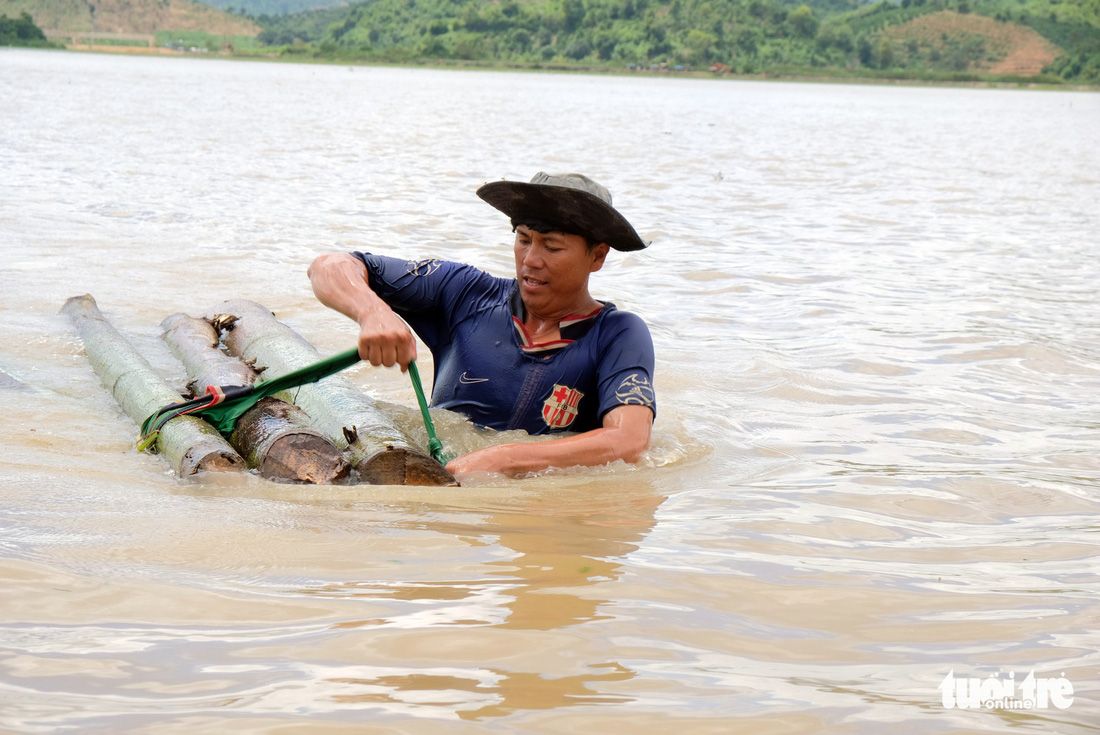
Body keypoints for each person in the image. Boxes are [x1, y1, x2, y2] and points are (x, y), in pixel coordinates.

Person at [308, 172, 656, 477]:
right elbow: (329, 265)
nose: (531, 260)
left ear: (597, 256)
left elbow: (629, 441)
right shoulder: (463, 291)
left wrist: (506, 459)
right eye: (523, 239)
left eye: (552, 246)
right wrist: (372, 312)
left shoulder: (619, 334)